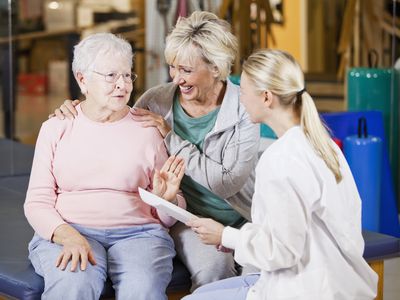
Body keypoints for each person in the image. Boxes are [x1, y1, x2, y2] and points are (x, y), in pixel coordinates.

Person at [52, 11, 260, 290]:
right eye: (172, 67)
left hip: (243, 218)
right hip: (188, 219)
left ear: (215, 67)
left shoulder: (244, 107)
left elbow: (224, 183)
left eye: (186, 70)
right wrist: (76, 108)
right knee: (214, 269)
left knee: (262, 277)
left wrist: (170, 136)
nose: (176, 79)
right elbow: (117, 126)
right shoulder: (156, 101)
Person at [183, 49, 378, 300]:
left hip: (304, 290)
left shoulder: (280, 159)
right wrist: (236, 240)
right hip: (339, 282)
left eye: (242, 92)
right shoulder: (323, 144)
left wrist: (225, 235)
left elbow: (282, 252)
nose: (240, 100)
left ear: (266, 97)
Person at [24, 33, 186, 300]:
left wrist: (165, 201)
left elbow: (168, 215)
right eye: (111, 76)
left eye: (127, 75)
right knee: (73, 282)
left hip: (140, 234)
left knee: (142, 288)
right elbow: (37, 202)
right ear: (82, 79)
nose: (122, 85)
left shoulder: (148, 129)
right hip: (71, 227)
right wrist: (67, 236)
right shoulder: (56, 127)